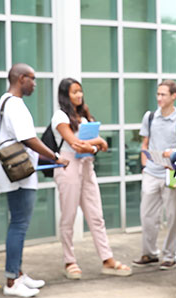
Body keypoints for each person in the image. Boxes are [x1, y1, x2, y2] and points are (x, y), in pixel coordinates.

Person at [0, 63, 69, 297]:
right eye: (32, 79)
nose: (35, 84)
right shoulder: (14, 104)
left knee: (19, 223)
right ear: (21, 79)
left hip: (17, 170)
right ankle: (11, 282)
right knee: (19, 224)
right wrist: (56, 156)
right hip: (19, 173)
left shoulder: (5, 101)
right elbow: (28, 138)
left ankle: (17, 274)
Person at [52, 78, 132, 280]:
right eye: (74, 92)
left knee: (96, 216)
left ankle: (107, 259)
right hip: (68, 166)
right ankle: (69, 261)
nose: (79, 95)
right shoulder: (60, 116)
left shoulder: (84, 116)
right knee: (68, 217)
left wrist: (94, 146)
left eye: (80, 91)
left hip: (87, 166)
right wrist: (97, 141)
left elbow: (93, 148)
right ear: (65, 95)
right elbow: (75, 143)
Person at [132, 80, 176, 270]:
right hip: (150, 172)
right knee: (147, 217)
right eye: (158, 94)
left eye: (163, 94)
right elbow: (145, 143)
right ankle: (149, 254)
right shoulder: (149, 117)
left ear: (174, 96)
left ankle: (169, 255)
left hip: (171, 175)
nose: (159, 98)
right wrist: (143, 167)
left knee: (173, 217)